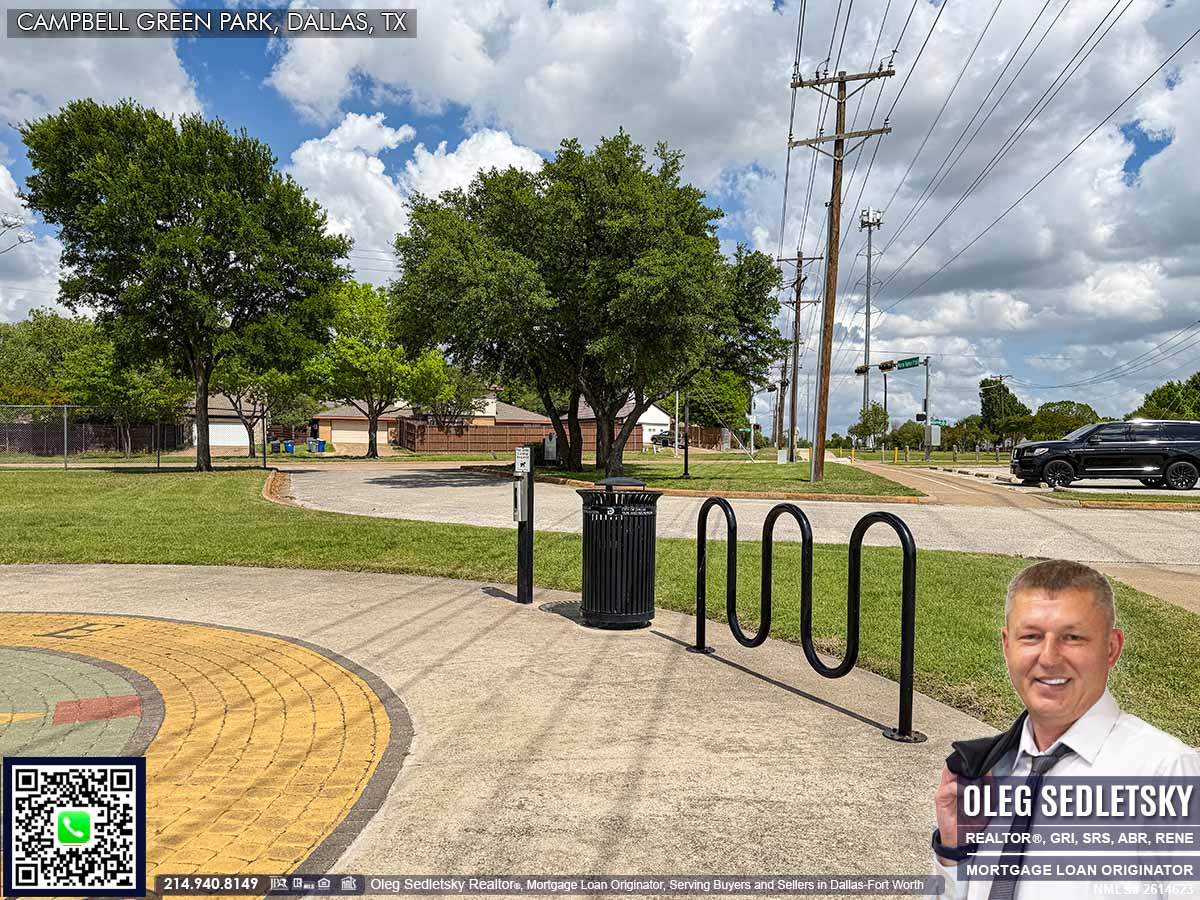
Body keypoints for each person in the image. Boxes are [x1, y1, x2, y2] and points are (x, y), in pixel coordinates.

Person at [929, 559, 1200, 899]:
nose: (1049, 657)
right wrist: (954, 852)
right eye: (1031, 636)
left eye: (1072, 637)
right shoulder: (987, 773)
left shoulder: (1167, 774)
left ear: (1112, 648)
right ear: (1007, 645)